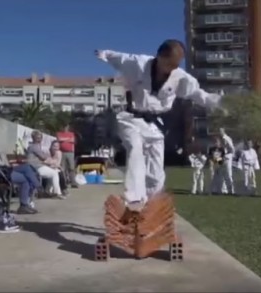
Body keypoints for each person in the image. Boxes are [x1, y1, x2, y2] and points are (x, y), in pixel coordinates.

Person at [95, 39, 222, 210]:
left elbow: (200, 95)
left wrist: (222, 103)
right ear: (160, 56)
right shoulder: (138, 64)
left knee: (156, 172)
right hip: (131, 118)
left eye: (176, 65)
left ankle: (152, 206)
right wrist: (103, 54)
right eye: (169, 64)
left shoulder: (181, 78)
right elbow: (118, 57)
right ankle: (133, 199)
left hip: (155, 125)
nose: (171, 69)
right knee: (135, 148)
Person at [0, 125, 40, 215]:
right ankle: (33, 196)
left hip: (0, 169)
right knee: (25, 177)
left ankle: (28, 200)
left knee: (26, 168)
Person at [26, 131, 65, 199]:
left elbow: (44, 158)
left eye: (40, 138)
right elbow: (43, 157)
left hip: (37, 166)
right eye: (37, 138)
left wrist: (52, 162)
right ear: (33, 138)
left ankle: (48, 191)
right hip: (35, 167)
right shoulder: (34, 146)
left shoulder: (34, 146)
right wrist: (53, 162)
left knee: (54, 172)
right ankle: (57, 193)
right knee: (54, 173)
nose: (39, 139)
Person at [218, 127, 236, 194]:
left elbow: (232, 148)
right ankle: (224, 190)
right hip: (222, 157)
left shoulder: (227, 138)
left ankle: (231, 190)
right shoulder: (221, 139)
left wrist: (230, 155)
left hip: (227, 157)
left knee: (229, 173)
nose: (220, 132)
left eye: (221, 131)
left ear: (223, 131)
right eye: (219, 131)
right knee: (222, 173)